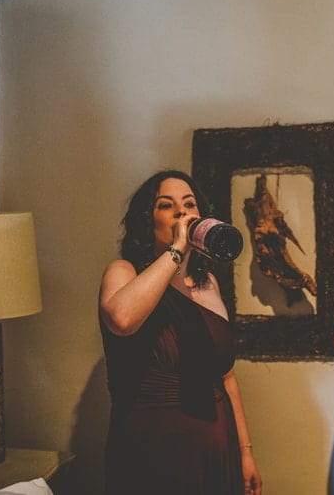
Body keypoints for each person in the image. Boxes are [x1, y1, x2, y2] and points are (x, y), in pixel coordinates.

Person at [98, 170, 262, 495]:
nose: (181, 212)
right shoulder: (124, 271)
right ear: (148, 219)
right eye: (166, 205)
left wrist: (245, 454)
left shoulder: (208, 283)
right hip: (151, 449)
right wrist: (176, 250)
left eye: (189, 204)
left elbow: (227, 377)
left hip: (216, 442)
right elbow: (122, 319)